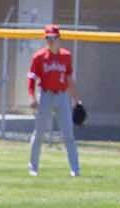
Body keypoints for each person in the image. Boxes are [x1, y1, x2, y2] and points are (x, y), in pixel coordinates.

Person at [27, 24, 81, 178]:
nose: (50, 41)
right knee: (39, 133)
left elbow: (69, 79)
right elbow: (31, 78)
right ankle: (33, 167)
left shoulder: (66, 56)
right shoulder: (39, 57)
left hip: (62, 96)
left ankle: (75, 169)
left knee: (68, 134)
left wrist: (77, 100)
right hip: (45, 95)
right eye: (48, 38)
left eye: (53, 38)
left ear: (59, 38)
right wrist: (31, 96)